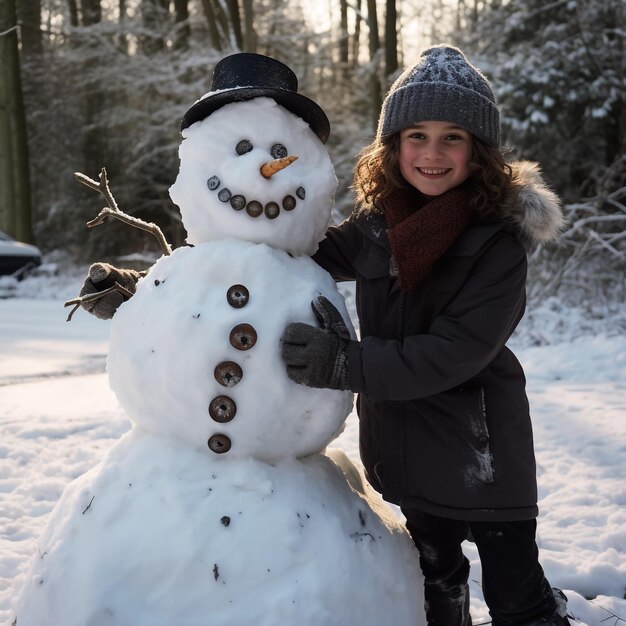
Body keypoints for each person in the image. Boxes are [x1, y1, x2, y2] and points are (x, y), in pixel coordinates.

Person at [280, 45, 569, 626]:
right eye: (416, 135)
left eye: (452, 137)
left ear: (478, 150)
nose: (431, 153)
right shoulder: (378, 226)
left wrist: (344, 365)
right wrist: (161, 275)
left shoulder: (498, 241)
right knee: (436, 583)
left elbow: (453, 353)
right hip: (405, 445)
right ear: (393, 146)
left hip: (482, 450)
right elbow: (286, 244)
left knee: (516, 596)